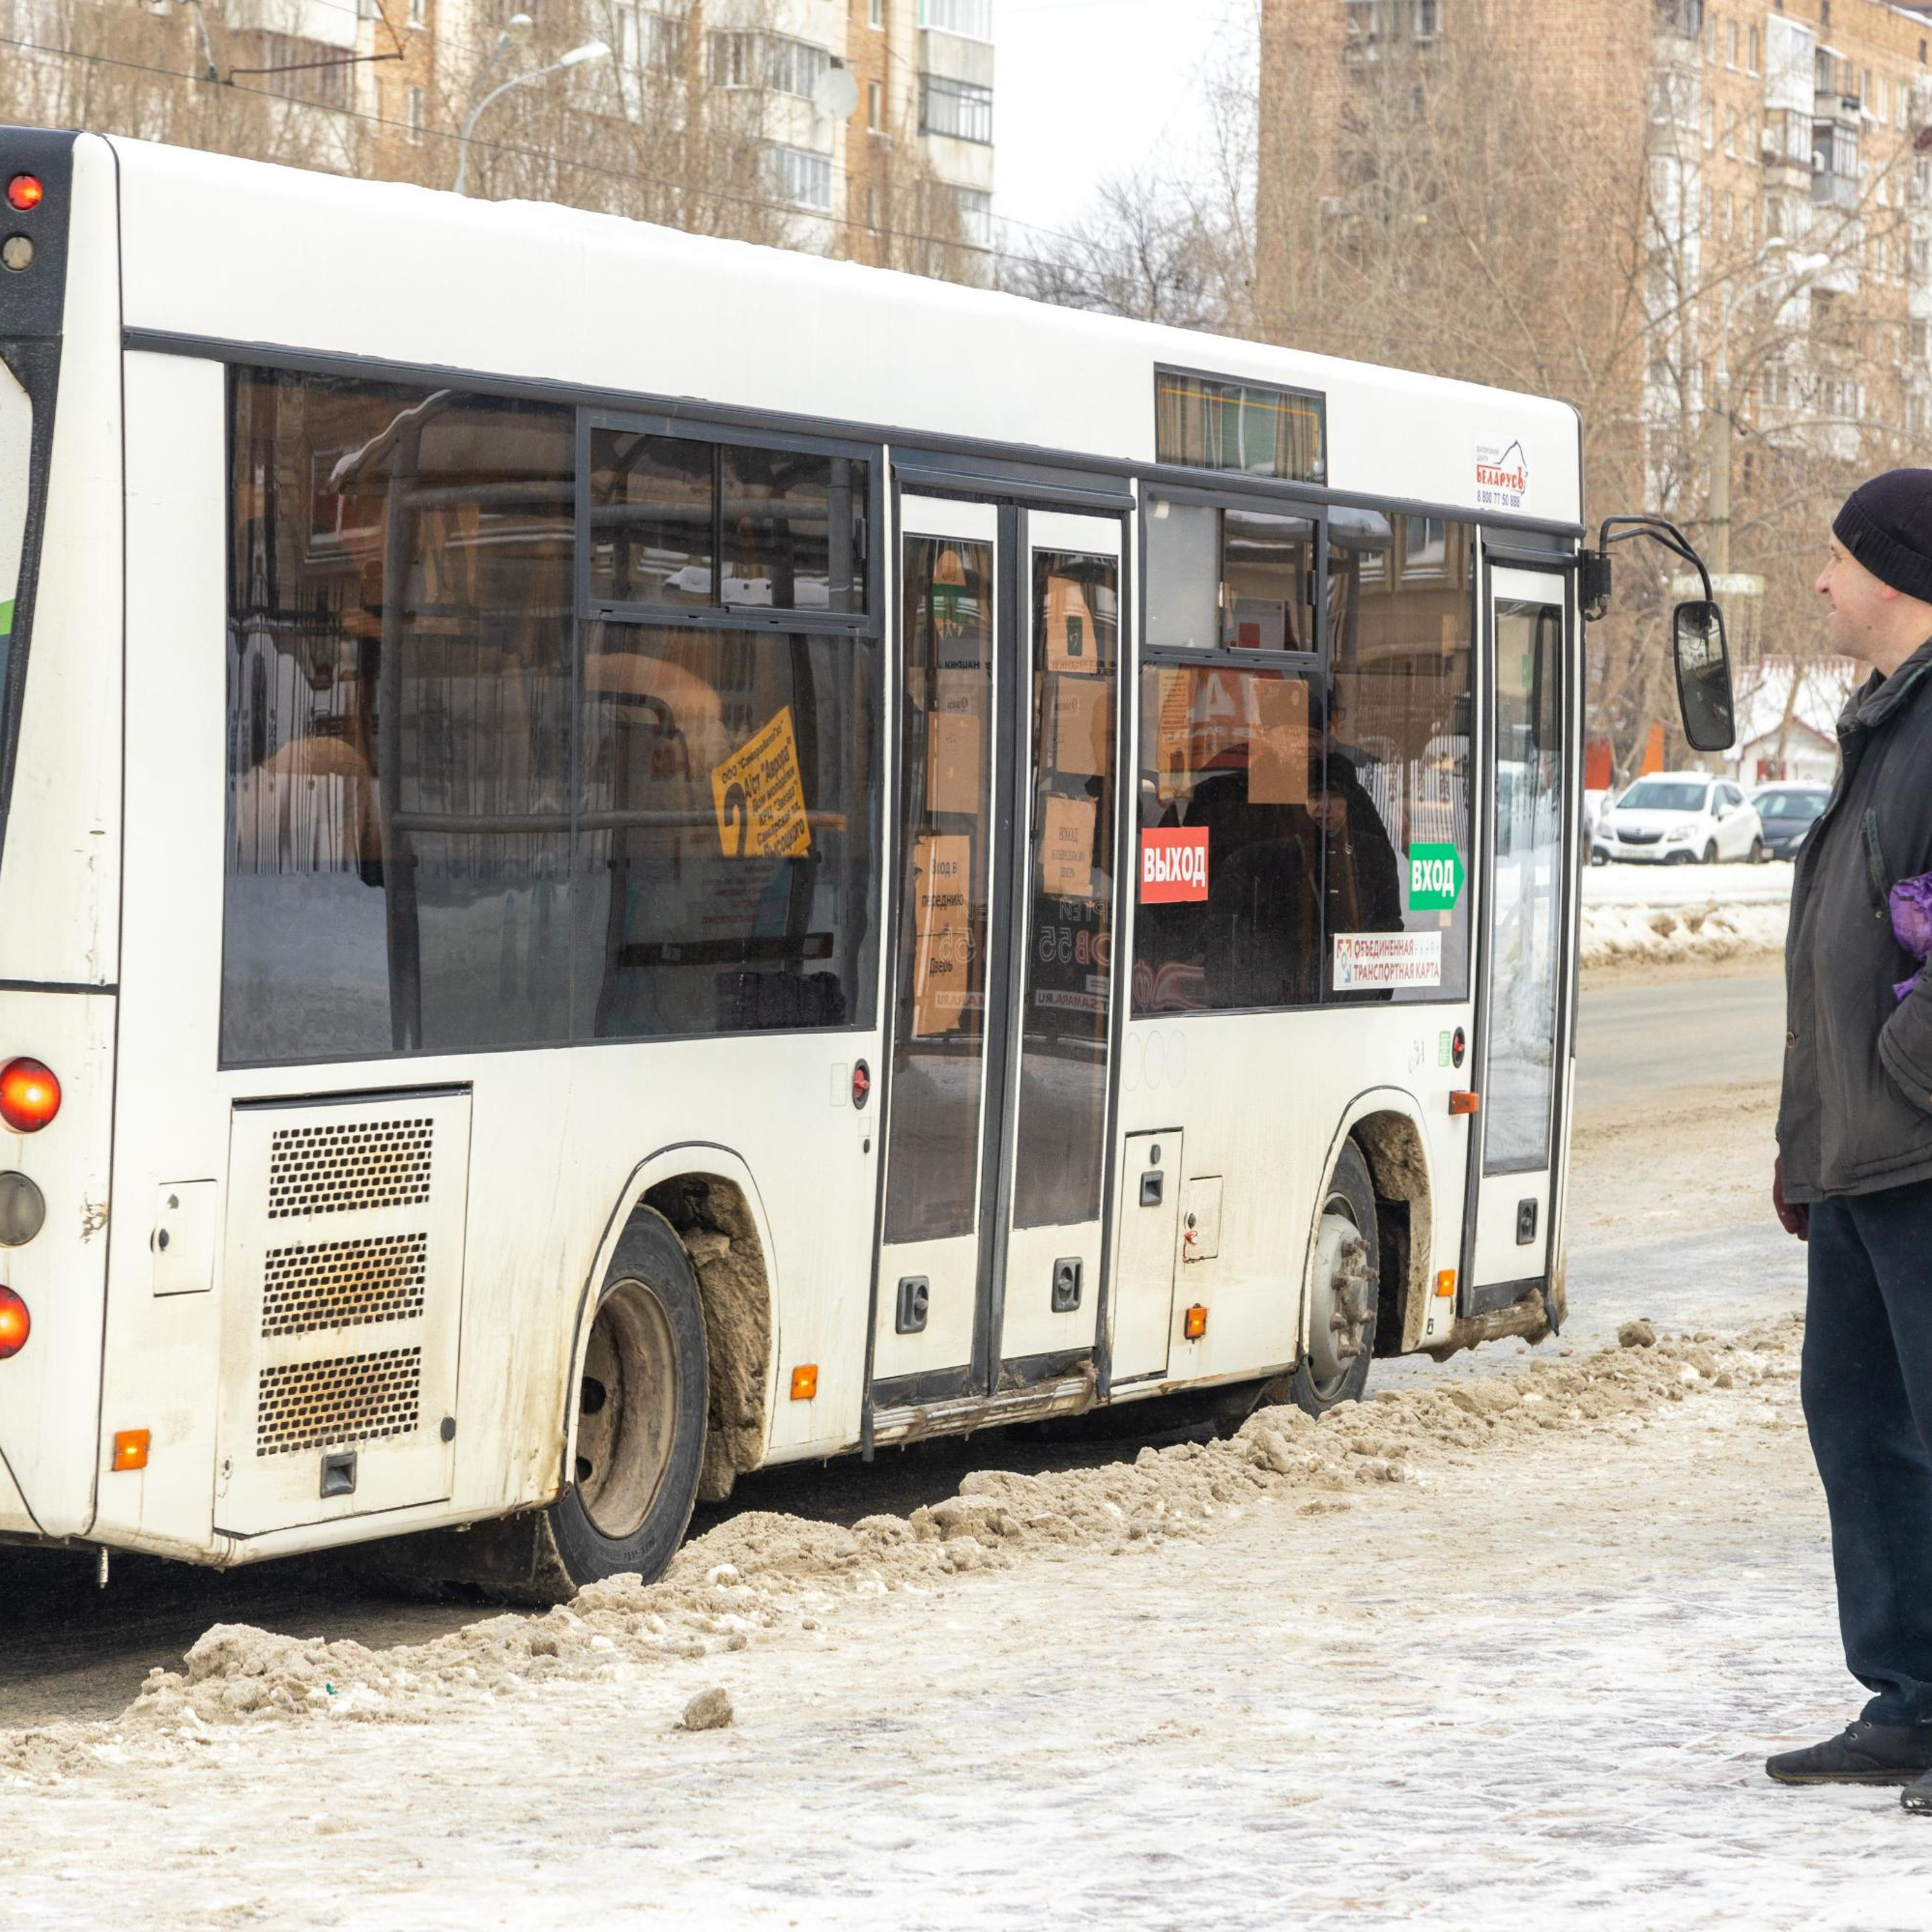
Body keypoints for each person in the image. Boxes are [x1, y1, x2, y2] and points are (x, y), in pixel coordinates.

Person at [1765, 469, 1932, 1812]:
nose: (1819, 582)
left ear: (1899, 570)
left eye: (1837, 557)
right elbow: (1842, 936)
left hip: (1925, 1143)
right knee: (1859, 1419)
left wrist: (1903, 1073)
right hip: (1862, 1156)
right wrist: (1807, 1134)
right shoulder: (1882, 725)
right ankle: (1912, 1695)